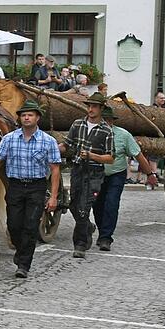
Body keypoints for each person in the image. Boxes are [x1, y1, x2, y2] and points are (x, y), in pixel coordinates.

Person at [0, 100, 61, 278]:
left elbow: (55, 170)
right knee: (13, 225)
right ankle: (21, 251)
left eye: (30, 115)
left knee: (30, 226)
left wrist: (53, 197)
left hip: (36, 187)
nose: (26, 118)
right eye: (23, 115)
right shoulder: (9, 139)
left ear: (37, 118)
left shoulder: (48, 141)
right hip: (15, 186)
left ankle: (24, 264)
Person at [91, 106, 158, 251]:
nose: (104, 123)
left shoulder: (123, 135)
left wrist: (150, 174)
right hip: (97, 175)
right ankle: (102, 232)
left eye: (107, 120)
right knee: (97, 205)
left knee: (111, 203)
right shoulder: (92, 133)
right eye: (101, 120)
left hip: (116, 174)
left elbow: (138, 155)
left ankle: (106, 238)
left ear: (111, 121)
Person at [59, 92, 114, 258]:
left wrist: (92, 156)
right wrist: (53, 148)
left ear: (101, 108)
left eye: (94, 106)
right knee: (73, 205)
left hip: (94, 173)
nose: (90, 109)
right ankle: (88, 226)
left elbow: (110, 158)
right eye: (89, 106)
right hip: (77, 169)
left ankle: (80, 244)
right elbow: (67, 145)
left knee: (84, 208)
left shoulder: (107, 130)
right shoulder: (77, 124)